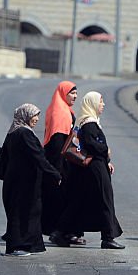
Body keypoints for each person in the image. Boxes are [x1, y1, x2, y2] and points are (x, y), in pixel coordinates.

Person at [56, 91, 125, 249]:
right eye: (100, 102)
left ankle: (63, 231)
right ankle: (108, 237)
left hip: (95, 166)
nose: (103, 105)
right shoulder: (89, 124)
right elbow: (92, 144)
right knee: (105, 200)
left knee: (83, 201)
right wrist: (106, 150)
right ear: (92, 104)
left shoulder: (90, 122)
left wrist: (107, 160)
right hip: (95, 168)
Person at [0, 103, 61, 256]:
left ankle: (29, 244)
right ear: (26, 116)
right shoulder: (24, 133)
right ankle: (18, 245)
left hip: (18, 180)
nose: (37, 119)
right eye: (34, 115)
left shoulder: (14, 132)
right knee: (22, 212)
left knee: (27, 212)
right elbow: (37, 156)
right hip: (23, 182)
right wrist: (54, 174)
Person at [42, 81, 82, 244]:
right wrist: (58, 170)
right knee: (59, 197)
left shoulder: (66, 110)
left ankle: (66, 231)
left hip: (63, 162)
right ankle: (58, 231)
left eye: (76, 93)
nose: (75, 96)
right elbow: (57, 142)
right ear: (63, 93)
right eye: (72, 93)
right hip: (58, 162)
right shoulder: (59, 112)